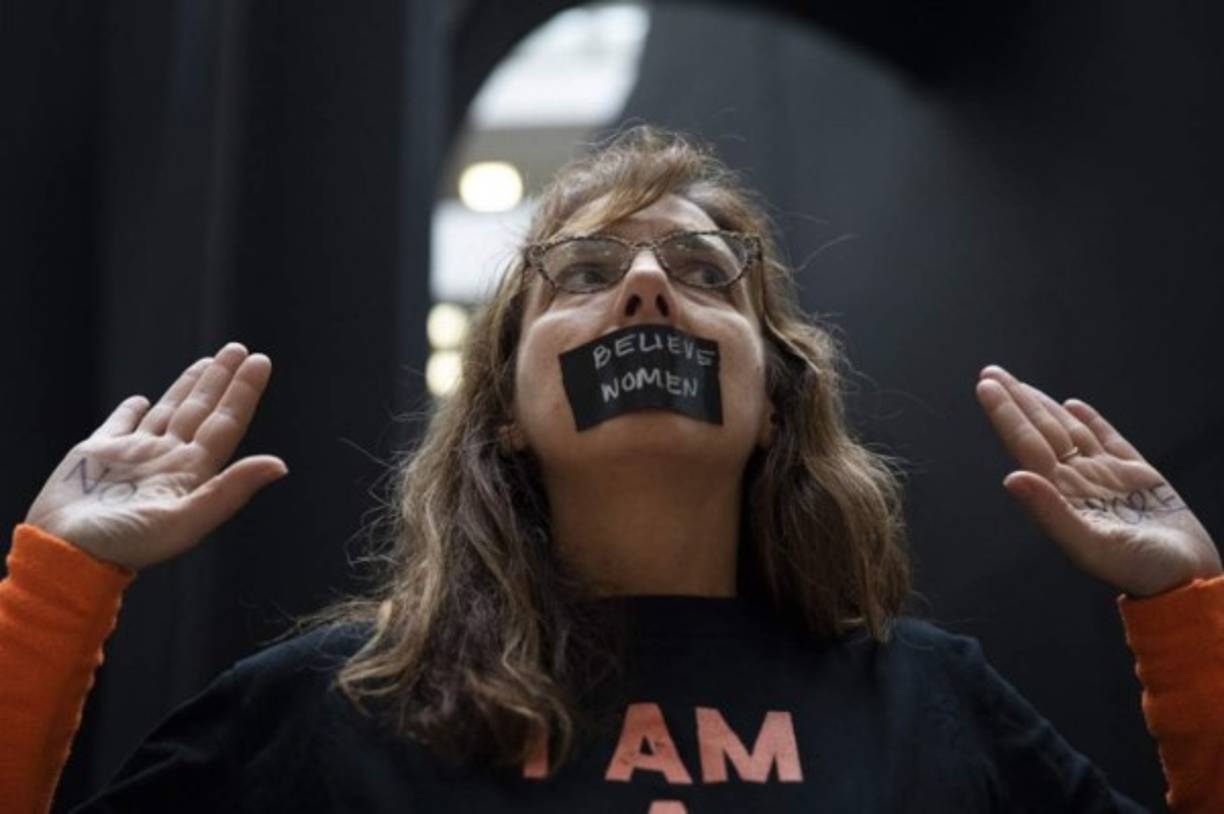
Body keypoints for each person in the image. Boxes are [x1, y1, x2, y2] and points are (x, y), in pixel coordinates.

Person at [2, 124, 1222, 814]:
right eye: (584, 275)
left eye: (703, 274)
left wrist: (1193, 626)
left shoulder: (933, 705)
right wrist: (52, 595)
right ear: (510, 413)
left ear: (772, 398)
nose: (646, 285)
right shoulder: (329, 705)